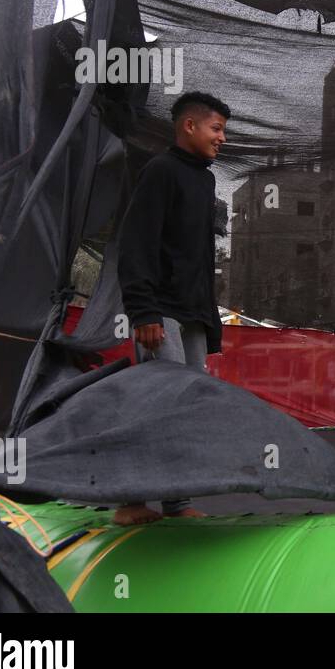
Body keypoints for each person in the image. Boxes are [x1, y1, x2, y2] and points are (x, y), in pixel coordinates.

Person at [114, 91, 229, 525]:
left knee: (187, 407)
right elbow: (136, 242)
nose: (222, 139)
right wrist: (143, 312)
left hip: (193, 312)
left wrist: (207, 320)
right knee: (159, 402)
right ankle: (130, 501)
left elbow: (197, 256)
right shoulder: (160, 171)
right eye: (216, 129)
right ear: (189, 126)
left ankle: (176, 503)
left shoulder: (205, 180)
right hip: (160, 309)